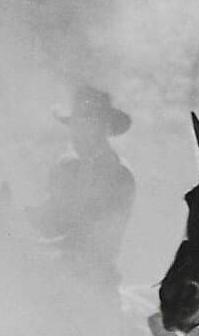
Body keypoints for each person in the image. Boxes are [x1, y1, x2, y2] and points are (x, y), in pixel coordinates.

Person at [29, 85, 136, 294]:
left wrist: (46, 246)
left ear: (103, 129)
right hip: (49, 276)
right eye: (75, 125)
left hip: (92, 285)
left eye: (86, 125)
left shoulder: (119, 176)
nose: (76, 133)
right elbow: (48, 215)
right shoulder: (65, 167)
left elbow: (98, 240)